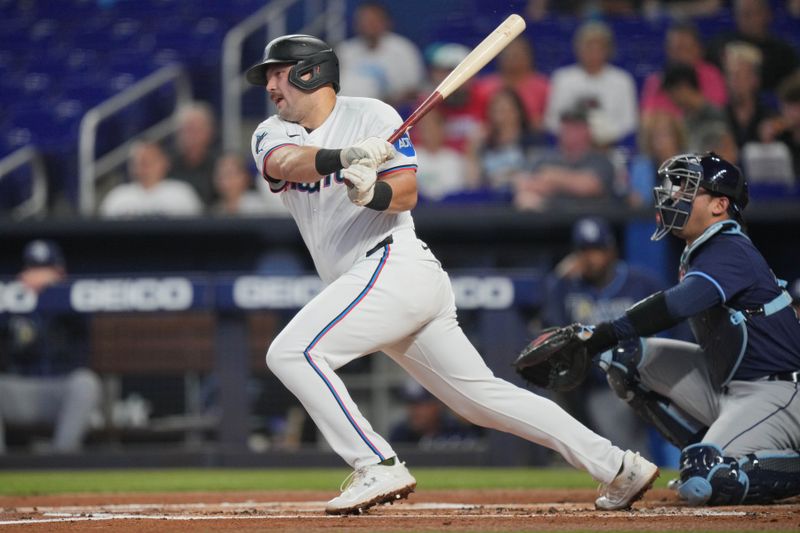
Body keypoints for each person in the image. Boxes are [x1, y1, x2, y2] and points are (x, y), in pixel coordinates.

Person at [245, 33, 658, 515]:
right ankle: (618, 465)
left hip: (392, 264)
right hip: (374, 282)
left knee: (292, 353)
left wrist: (368, 193)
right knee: (480, 401)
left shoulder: (373, 115)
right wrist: (345, 160)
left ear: (310, 72)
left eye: (278, 73)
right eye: (269, 76)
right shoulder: (271, 131)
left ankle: (376, 463)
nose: (271, 85)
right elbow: (286, 164)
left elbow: (405, 193)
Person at [520, 152, 800, 506]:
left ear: (719, 205)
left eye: (688, 190)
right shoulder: (701, 249)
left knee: (706, 479)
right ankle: (703, 453)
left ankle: (715, 463)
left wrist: (602, 333)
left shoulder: (729, 245)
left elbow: (678, 304)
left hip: (776, 393)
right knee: (624, 358)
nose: (675, 196)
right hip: (728, 385)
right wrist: (602, 340)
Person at [540, 217, 668, 459]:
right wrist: (558, 277)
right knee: (622, 443)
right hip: (600, 385)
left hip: (647, 378)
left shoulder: (641, 282)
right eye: (584, 250)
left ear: (611, 250)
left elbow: (674, 325)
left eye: (597, 249)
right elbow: (551, 329)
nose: (590, 257)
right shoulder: (565, 287)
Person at [0, 240, 101, 454]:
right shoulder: (11, 302)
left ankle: (61, 461)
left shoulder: (72, 301)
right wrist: (13, 298)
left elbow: (84, 322)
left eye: (47, 270)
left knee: (85, 383)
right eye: (34, 270)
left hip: (59, 390)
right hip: (20, 390)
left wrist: (55, 292)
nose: (39, 277)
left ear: (60, 272)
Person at [544, 21, 638, 146]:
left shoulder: (622, 80)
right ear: (578, 48)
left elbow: (629, 122)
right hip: (570, 148)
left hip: (610, 147)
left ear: (608, 50)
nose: (594, 52)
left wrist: (602, 136)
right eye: (589, 46)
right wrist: (576, 136)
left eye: (599, 47)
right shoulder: (563, 78)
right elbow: (552, 120)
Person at [513, 106, 618, 211]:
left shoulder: (601, 161)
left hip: (585, 219)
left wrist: (552, 177)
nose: (570, 132)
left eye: (576, 127)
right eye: (566, 127)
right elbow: (522, 183)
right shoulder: (543, 157)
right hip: (546, 218)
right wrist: (568, 184)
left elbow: (590, 186)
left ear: (587, 131)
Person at [335, 1, 425, 109]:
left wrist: (386, 103)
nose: (368, 25)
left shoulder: (403, 49)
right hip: (350, 111)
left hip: (394, 110)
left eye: (373, 21)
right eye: (364, 21)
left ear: (386, 22)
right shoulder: (345, 50)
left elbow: (415, 89)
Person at [640, 22, 727, 121]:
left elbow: (719, 116)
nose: (679, 55)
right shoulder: (656, 81)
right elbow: (648, 120)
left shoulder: (712, 75)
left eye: (685, 49)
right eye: (675, 49)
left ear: (698, 50)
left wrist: (691, 99)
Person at [706, 0, 799, 92]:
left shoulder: (784, 52)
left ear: (767, 14)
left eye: (752, 13)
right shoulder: (721, 43)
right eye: (742, 14)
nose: (747, 19)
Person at [99, 140, 203, 218]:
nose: (143, 168)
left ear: (164, 163)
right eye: (138, 163)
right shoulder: (117, 197)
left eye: (148, 162)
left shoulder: (182, 194)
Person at [471, 36, 550, 132]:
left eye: (517, 54)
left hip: (531, 137)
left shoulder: (542, 86)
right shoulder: (485, 87)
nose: (513, 57)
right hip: (492, 139)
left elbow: (548, 120)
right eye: (509, 53)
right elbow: (479, 120)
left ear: (529, 56)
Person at [661, 63, 729, 153]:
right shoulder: (685, 120)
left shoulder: (717, 116)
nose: (672, 100)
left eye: (672, 94)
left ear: (683, 87)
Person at [167, 102, 221, 205]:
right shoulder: (166, 165)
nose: (192, 136)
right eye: (187, 130)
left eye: (197, 130)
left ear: (210, 132)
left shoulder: (221, 165)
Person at [211, 152, 270, 216]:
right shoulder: (216, 211)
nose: (223, 180)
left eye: (229, 174)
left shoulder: (257, 208)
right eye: (220, 175)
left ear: (244, 177)